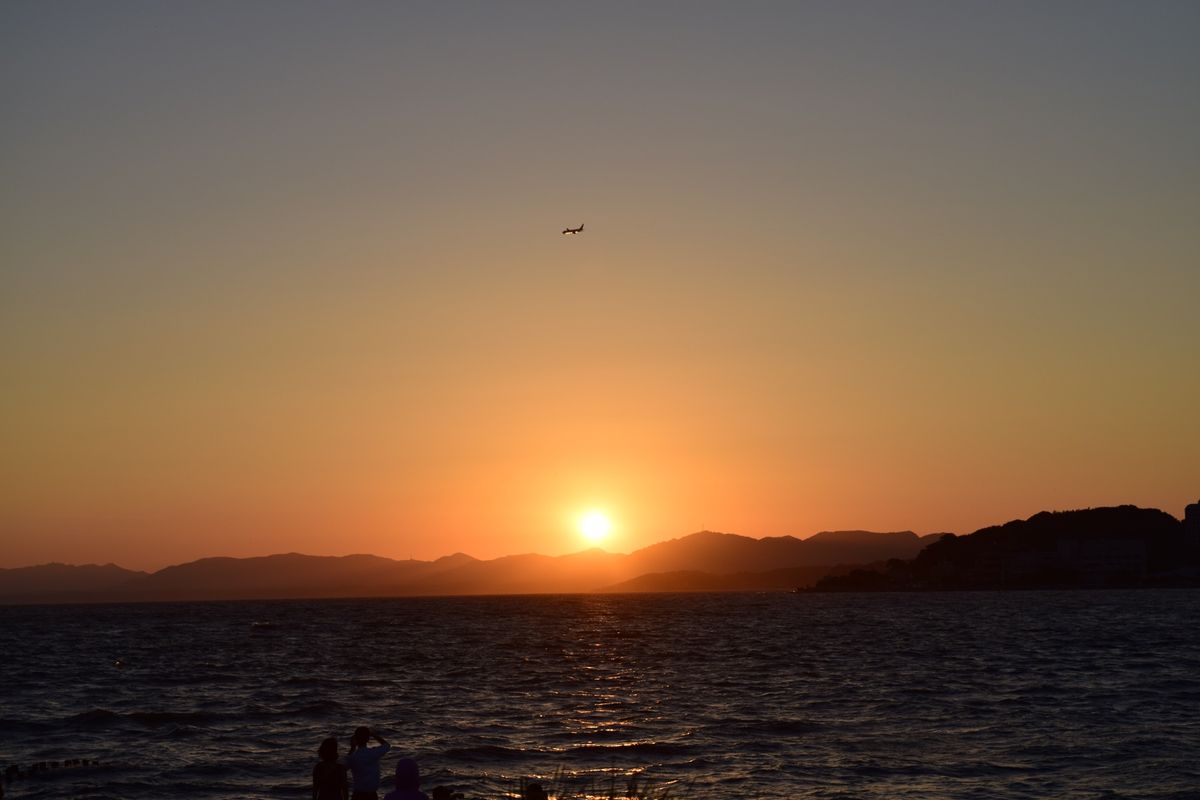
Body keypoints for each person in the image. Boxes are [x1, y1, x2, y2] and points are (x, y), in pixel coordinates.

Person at [345, 726, 391, 800]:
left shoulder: (353, 757)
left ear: (355, 739)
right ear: (368, 739)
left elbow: (343, 768)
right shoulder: (373, 753)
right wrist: (374, 735)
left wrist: (352, 748)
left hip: (358, 795)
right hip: (371, 795)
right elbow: (387, 746)